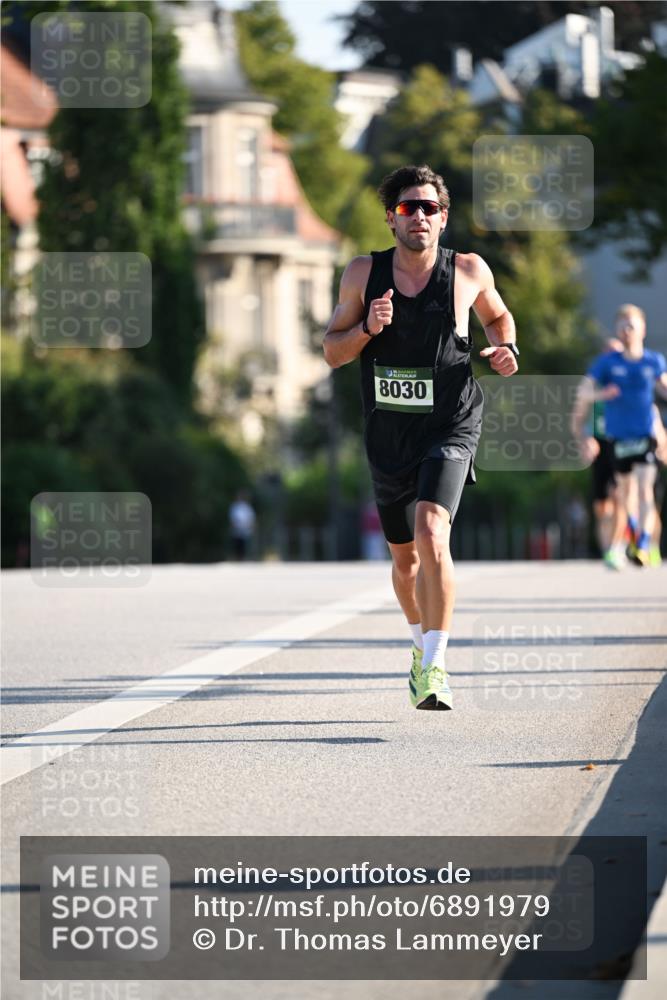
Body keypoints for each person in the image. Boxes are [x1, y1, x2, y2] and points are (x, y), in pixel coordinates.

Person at [323, 164, 518, 711]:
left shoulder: (468, 270)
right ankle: (418, 645)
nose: (420, 217)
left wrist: (506, 349)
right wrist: (368, 328)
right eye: (409, 208)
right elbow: (332, 352)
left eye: (430, 208)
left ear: (443, 217)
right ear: (391, 218)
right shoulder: (363, 273)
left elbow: (500, 318)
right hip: (389, 433)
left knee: (433, 532)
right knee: (405, 562)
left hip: (451, 422)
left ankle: (435, 666)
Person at [578, 305, 667, 569]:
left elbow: (664, 387)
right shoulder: (607, 363)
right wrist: (602, 394)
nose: (627, 331)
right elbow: (583, 393)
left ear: (642, 330)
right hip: (618, 438)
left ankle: (643, 543)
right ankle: (634, 533)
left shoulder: (653, 361)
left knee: (645, 490)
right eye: (622, 326)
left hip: (644, 435)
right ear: (617, 330)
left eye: (631, 326)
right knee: (626, 493)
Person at [228, 491, 256, 561]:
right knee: (237, 544)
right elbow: (232, 518)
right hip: (236, 528)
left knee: (244, 545)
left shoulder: (247, 507)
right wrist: (233, 525)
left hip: (245, 529)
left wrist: (251, 526)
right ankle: (237, 558)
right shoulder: (235, 506)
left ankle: (243, 558)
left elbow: (251, 518)